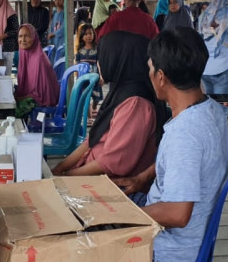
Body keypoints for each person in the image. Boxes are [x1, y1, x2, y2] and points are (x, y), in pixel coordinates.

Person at [140, 27, 228, 262]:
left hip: (169, 255)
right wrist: (144, 177)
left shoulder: (185, 133)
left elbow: (177, 214)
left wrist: (123, 215)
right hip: (191, 242)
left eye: (150, 69)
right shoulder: (211, 109)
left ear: (161, 77)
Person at [53, 31, 157, 179]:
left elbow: (111, 164)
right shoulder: (120, 92)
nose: (99, 63)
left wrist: (68, 176)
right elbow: (93, 139)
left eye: (103, 57)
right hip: (90, 174)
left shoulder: (135, 104)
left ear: (119, 60)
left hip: (108, 185)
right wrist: (60, 167)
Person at [15, 23, 59, 108]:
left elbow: (42, 94)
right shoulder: (25, 53)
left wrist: (21, 98)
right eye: (20, 36)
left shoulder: (39, 58)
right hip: (32, 96)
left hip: (43, 100)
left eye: (27, 36)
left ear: (34, 37)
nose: (23, 39)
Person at [75, 22, 103, 108]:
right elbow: (77, 63)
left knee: (96, 97)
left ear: (94, 35)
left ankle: (94, 107)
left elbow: (99, 63)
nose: (88, 36)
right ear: (82, 36)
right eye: (86, 34)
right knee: (85, 97)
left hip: (95, 77)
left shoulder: (97, 49)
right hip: (83, 77)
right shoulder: (80, 50)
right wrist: (77, 75)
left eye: (90, 33)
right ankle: (88, 117)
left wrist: (101, 76)